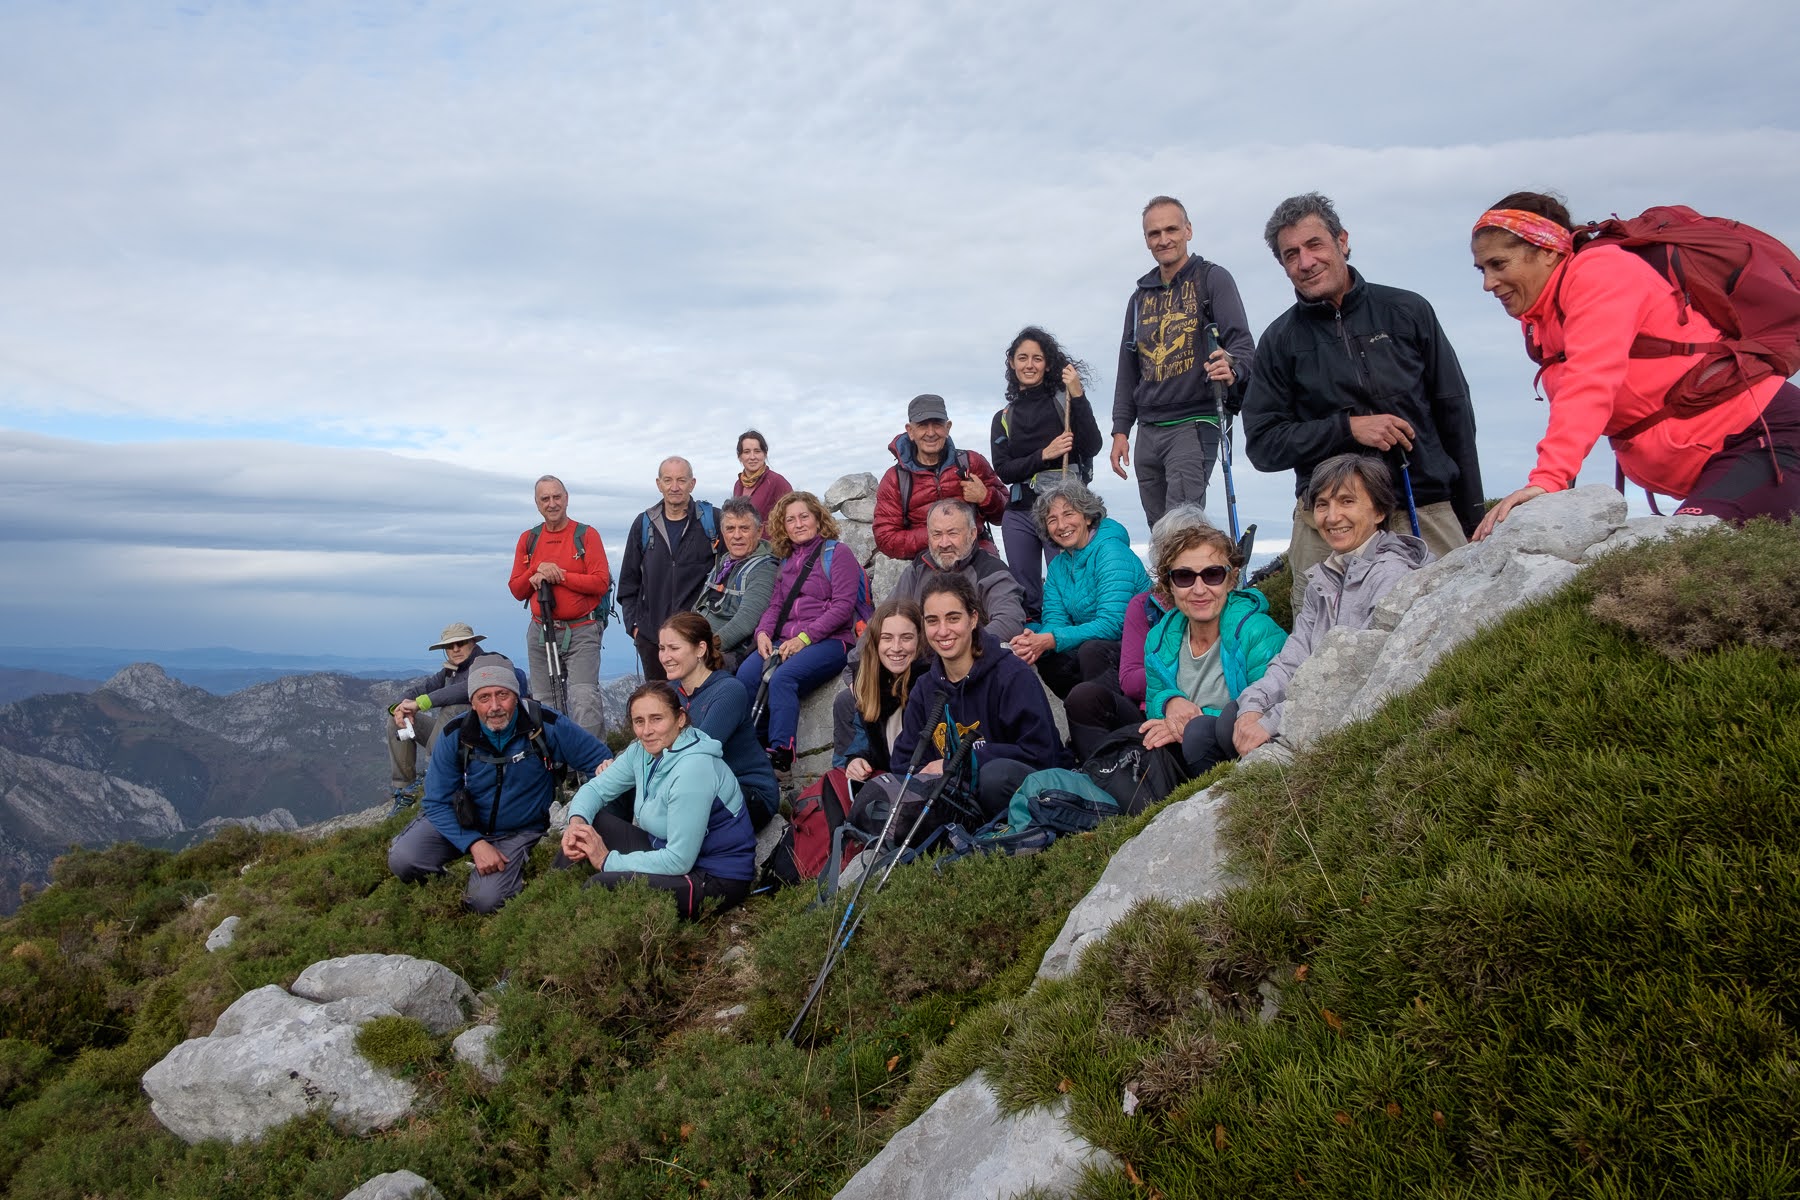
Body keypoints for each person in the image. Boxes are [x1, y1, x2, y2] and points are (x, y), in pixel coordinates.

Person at [1469, 191, 1800, 535]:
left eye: (1499, 264)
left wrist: (1549, 480)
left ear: (1548, 251)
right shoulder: (1541, 317)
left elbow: (1590, 381)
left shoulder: (1601, 273)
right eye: (1482, 269)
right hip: (1720, 458)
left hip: (1765, 438)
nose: (1488, 283)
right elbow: (1575, 406)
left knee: (1686, 556)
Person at [1243, 192, 1483, 612]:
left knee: (1457, 632)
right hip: (1327, 522)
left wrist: (1473, 515)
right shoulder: (1279, 341)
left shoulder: (1408, 311)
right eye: (1290, 254)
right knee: (1319, 649)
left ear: (1343, 241)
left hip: (1422, 507)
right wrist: (1349, 428)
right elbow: (1263, 445)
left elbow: (1455, 414)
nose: (1305, 261)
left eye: (1315, 244)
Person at [1233, 456, 1433, 755]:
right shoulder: (1326, 575)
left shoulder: (1393, 574)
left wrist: (1272, 720)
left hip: (1355, 720)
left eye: (1347, 501)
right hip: (1313, 705)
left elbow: (1359, 673)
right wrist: (1253, 705)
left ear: (1379, 511)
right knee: (1227, 721)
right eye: (1323, 504)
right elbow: (1295, 655)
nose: (1332, 516)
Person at [388, 654, 611, 914]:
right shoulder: (455, 734)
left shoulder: (545, 725)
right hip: (464, 821)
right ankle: (451, 885)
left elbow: (601, 762)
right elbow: (436, 802)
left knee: (486, 901)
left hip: (517, 830)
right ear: (472, 702)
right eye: (484, 697)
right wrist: (475, 844)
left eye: (502, 694)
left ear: (516, 695)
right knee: (404, 859)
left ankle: (486, 885)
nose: (494, 706)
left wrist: (582, 815)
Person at [1110, 195, 1257, 525]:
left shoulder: (1213, 279)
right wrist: (1121, 430)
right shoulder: (1139, 298)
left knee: (1181, 522)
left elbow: (1243, 344)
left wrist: (1232, 365)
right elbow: (1127, 369)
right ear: (1146, 239)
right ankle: (1169, 579)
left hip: (1195, 421)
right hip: (1147, 429)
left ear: (1188, 230)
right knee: (1158, 527)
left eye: (1171, 229)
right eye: (1154, 233)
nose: (1164, 239)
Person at [559, 682, 756, 921]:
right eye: (639, 721)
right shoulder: (641, 752)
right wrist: (575, 823)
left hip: (714, 878)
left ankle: (570, 935)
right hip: (664, 849)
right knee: (587, 827)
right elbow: (596, 790)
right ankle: (547, 901)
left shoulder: (694, 769)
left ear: (680, 719)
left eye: (656, 719)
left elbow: (678, 860)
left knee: (600, 885)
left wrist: (607, 860)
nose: (646, 731)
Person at [890, 574, 1069, 822]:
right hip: (956, 800)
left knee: (994, 776)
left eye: (953, 618)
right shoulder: (924, 689)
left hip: (1020, 791)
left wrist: (957, 764)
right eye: (932, 621)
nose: (943, 631)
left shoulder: (1012, 675)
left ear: (973, 619)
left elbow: (1042, 754)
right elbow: (903, 762)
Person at [1063, 504, 1210, 761]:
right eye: (1174, 553)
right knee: (1085, 692)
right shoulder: (1145, 605)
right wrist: (1178, 684)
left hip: (1206, 719)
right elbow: (1130, 680)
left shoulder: (1218, 602)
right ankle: (1100, 772)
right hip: (1150, 710)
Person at [735, 491, 868, 772]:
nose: (798, 524)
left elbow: (843, 607)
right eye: (790, 520)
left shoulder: (837, 553)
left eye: (804, 517)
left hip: (832, 641)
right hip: (785, 639)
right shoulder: (786, 560)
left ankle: (781, 750)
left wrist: (804, 639)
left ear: (818, 519)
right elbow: (774, 605)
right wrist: (762, 634)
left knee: (783, 678)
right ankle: (752, 745)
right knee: (746, 675)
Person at [1139, 526, 1286, 775]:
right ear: (1170, 585)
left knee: (1198, 734)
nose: (1198, 589)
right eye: (1184, 577)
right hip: (1184, 751)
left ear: (1231, 580)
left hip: (1246, 756)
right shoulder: (1159, 639)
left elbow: (1269, 709)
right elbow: (1154, 698)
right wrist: (1169, 702)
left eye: (1213, 574)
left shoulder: (1257, 632)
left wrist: (1192, 719)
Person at [988, 326, 1104, 615]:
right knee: (1025, 591)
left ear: (1048, 363)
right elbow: (1004, 470)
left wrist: (1077, 394)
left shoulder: (1065, 402)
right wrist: (1045, 454)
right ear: (1012, 363)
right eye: (1022, 358)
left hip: (1062, 507)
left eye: (1037, 358)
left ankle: (1071, 645)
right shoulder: (1003, 417)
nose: (1030, 365)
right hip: (1019, 512)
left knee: (1066, 584)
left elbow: (1092, 445)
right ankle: (1034, 646)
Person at [1006, 480, 1150, 698]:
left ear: (1088, 517)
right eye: (1052, 520)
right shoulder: (1058, 566)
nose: (1061, 525)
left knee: (1090, 650)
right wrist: (1032, 642)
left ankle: (1115, 718)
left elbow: (1113, 623)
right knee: (1045, 654)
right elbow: (1055, 621)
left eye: (1069, 514)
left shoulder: (1111, 552)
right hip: (1095, 647)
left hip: (1139, 647)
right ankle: (1082, 717)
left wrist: (1051, 639)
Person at [385, 623, 531, 813]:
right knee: (395, 723)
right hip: (456, 736)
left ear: (472, 642)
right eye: (449, 646)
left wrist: (421, 703)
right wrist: (399, 708)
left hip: (483, 738)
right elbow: (421, 688)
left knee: (454, 708)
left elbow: (464, 689)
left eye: (460, 643)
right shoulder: (451, 670)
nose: (455, 649)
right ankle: (405, 789)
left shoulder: (488, 662)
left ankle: (435, 776)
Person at [507, 475, 610, 737]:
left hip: (582, 629)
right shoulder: (529, 539)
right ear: (537, 503)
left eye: (557, 497)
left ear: (566, 499)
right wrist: (536, 569)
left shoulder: (586, 535)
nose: (552, 504)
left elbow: (600, 583)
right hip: (541, 630)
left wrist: (559, 574)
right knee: (544, 702)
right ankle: (554, 765)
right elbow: (517, 590)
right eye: (545, 499)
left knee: (583, 698)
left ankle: (594, 767)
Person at [658, 612, 780, 829]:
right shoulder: (671, 691)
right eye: (662, 648)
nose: (665, 656)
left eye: (674, 648)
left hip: (750, 793)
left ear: (700, 649)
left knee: (676, 799)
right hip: (698, 785)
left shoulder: (728, 691)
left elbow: (697, 755)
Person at [618, 456, 722, 681]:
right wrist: (635, 629)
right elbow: (629, 582)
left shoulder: (712, 520)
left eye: (681, 480)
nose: (675, 487)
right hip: (654, 641)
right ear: (659, 484)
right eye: (668, 480)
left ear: (692, 483)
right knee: (660, 706)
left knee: (697, 705)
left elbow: (730, 569)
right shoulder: (644, 524)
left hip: (698, 639)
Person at [873, 393, 1008, 561]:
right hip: (926, 561)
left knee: (1005, 585)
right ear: (910, 431)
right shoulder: (895, 479)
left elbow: (1007, 515)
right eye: (922, 425)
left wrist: (986, 497)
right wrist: (939, 536)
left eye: (937, 424)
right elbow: (886, 539)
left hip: (977, 556)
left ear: (948, 427)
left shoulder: (972, 463)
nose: (930, 433)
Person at [884, 499, 1028, 644]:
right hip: (918, 660)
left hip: (973, 661)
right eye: (937, 534)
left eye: (952, 533)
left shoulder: (991, 571)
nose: (944, 543)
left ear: (972, 534)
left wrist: (961, 649)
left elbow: (1009, 620)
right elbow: (885, 616)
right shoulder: (918, 568)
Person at [832, 595, 931, 782]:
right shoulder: (870, 683)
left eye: (906, 638)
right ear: (876, 642)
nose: (896, 647)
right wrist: (857, 760)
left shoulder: (929, 685)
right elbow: (867, 745)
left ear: (920, 639)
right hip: (890, 786)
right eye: (887, 638)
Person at [693, 496, 778, 671]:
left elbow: (745, 623)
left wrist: (702, 650)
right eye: (730, 529)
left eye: (744, 528)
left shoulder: (765, 568)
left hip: (729, 654)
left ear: (759, 531)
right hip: (699, 645)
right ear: (723, 532)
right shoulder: (724, 561)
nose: (737, 535)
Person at [730, 429, 794, 520]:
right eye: (747, 452)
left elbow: (792, 517)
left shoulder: (777, 481)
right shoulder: (738, 485)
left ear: (765, 454)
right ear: (740, 456)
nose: (752, 457)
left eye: (757, 451)